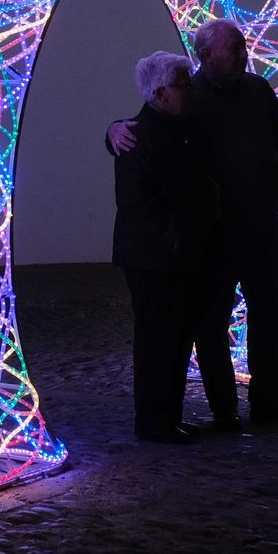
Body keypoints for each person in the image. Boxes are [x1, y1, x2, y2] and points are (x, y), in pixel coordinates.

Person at [108, 19, 278, 427]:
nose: (244, 54)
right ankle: (225, 409)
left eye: (243, 46)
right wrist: (111, 130)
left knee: (271, 314)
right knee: (211, 323)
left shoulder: (258, 90)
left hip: (261, 225)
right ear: (207, 55)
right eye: (235, 47)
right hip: (216, 232)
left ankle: (268, 401)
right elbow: (147, 125)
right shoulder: (188, 96)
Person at [112, 51, 219, 444]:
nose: (189, 91)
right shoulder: (137, 136)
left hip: (178, 254)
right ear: (159, 94)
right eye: (182, 85)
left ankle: (168, 416)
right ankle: (154, 421)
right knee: (157, 339)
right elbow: (137, 201)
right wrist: (176, 237)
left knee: (177, 339)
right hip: (155, 258)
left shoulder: (179, 128)